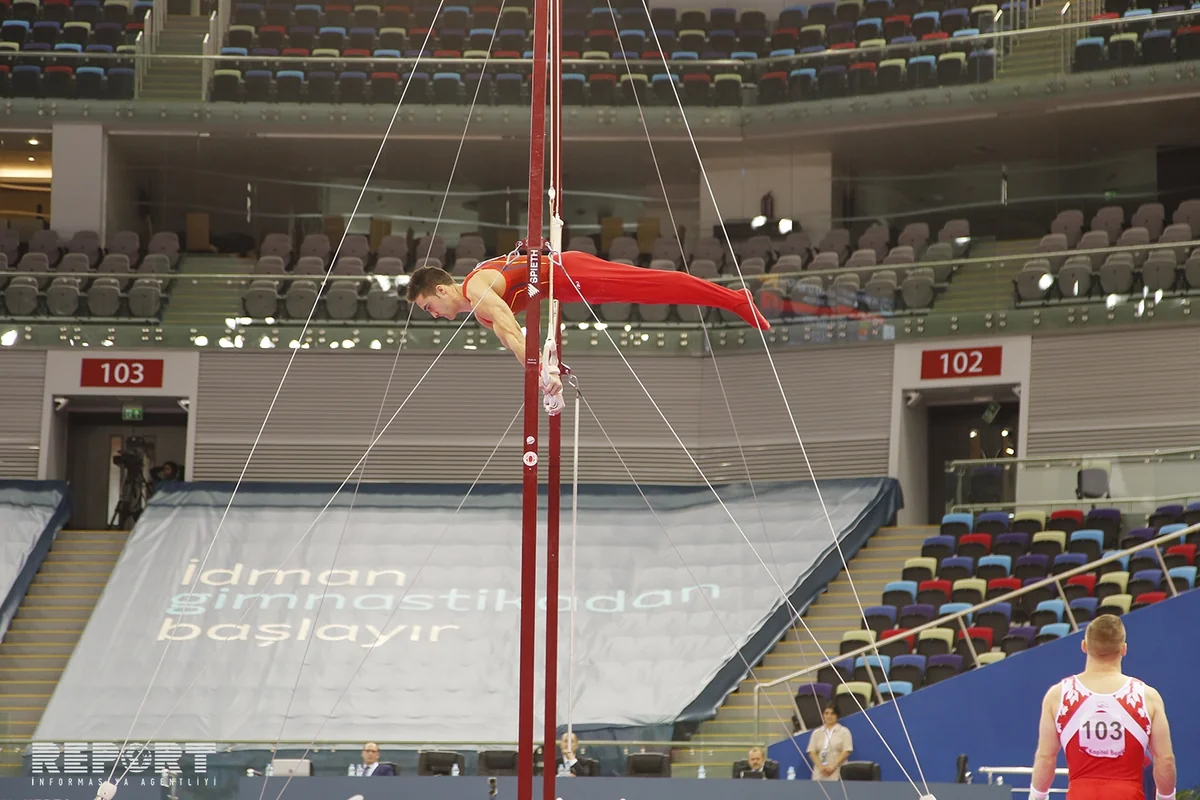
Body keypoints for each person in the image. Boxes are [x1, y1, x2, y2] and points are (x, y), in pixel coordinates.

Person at [406, 250, 771, 381]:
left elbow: (511, 326)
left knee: (652, 286)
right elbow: (510, 339)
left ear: (441, 290)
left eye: (428, 307)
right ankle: (731, 298)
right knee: (649, 292)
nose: (433, 315)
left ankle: (734, 298)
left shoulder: (476, 287)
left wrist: (540, 369)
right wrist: (540, 369)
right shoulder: (479, 313)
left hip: (569, 272)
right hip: (566, 288)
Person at [1030, 615, 1175, 800]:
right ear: (1124, 649)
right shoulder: (1147, 697)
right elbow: (1165, 759)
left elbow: (1046, 758)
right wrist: (1166, 797)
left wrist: (1036, 797)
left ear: (1084, 646)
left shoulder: (1059, 695)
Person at [807, 704, 852, 781]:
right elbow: (812, 751)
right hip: (820, 772)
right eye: (826, 713)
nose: (829, 716)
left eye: (832, 713)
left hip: (837, 770)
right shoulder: (817, 732)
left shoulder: (844, 732)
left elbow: (847, 751)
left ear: (837, 716)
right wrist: (821, 767)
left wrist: (833, 766)